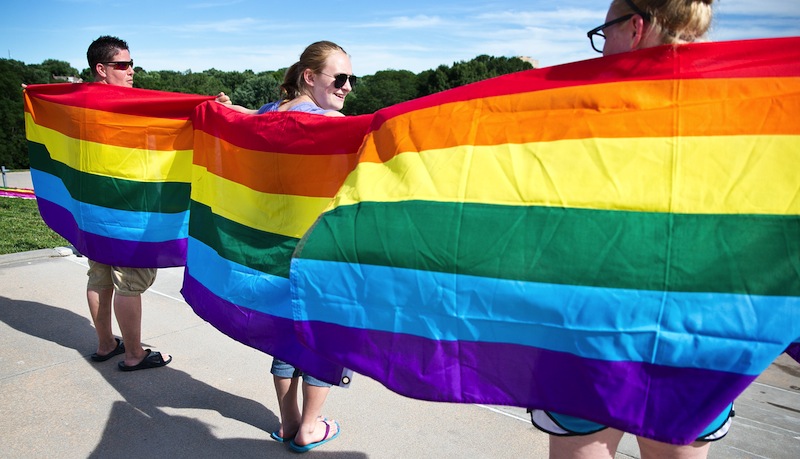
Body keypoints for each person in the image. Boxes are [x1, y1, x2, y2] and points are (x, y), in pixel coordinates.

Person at [531, 2, 729, 459]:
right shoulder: (738, 112)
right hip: (696, 332)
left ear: (635, 28)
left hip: (591, 327)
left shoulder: (586, 115)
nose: (602, 48)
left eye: (604, 33)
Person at [221, 40, 353, 452]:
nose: (348, 87)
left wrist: (229, 110)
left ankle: (288, 420)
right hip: (318, 248)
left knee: (284, 331)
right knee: (324, 334)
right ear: (310, 77)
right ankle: (310, 428)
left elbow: (247, 117)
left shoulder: (272, 114)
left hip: (272, 248)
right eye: (341, 77)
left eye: (352, 79)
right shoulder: (325, 120)